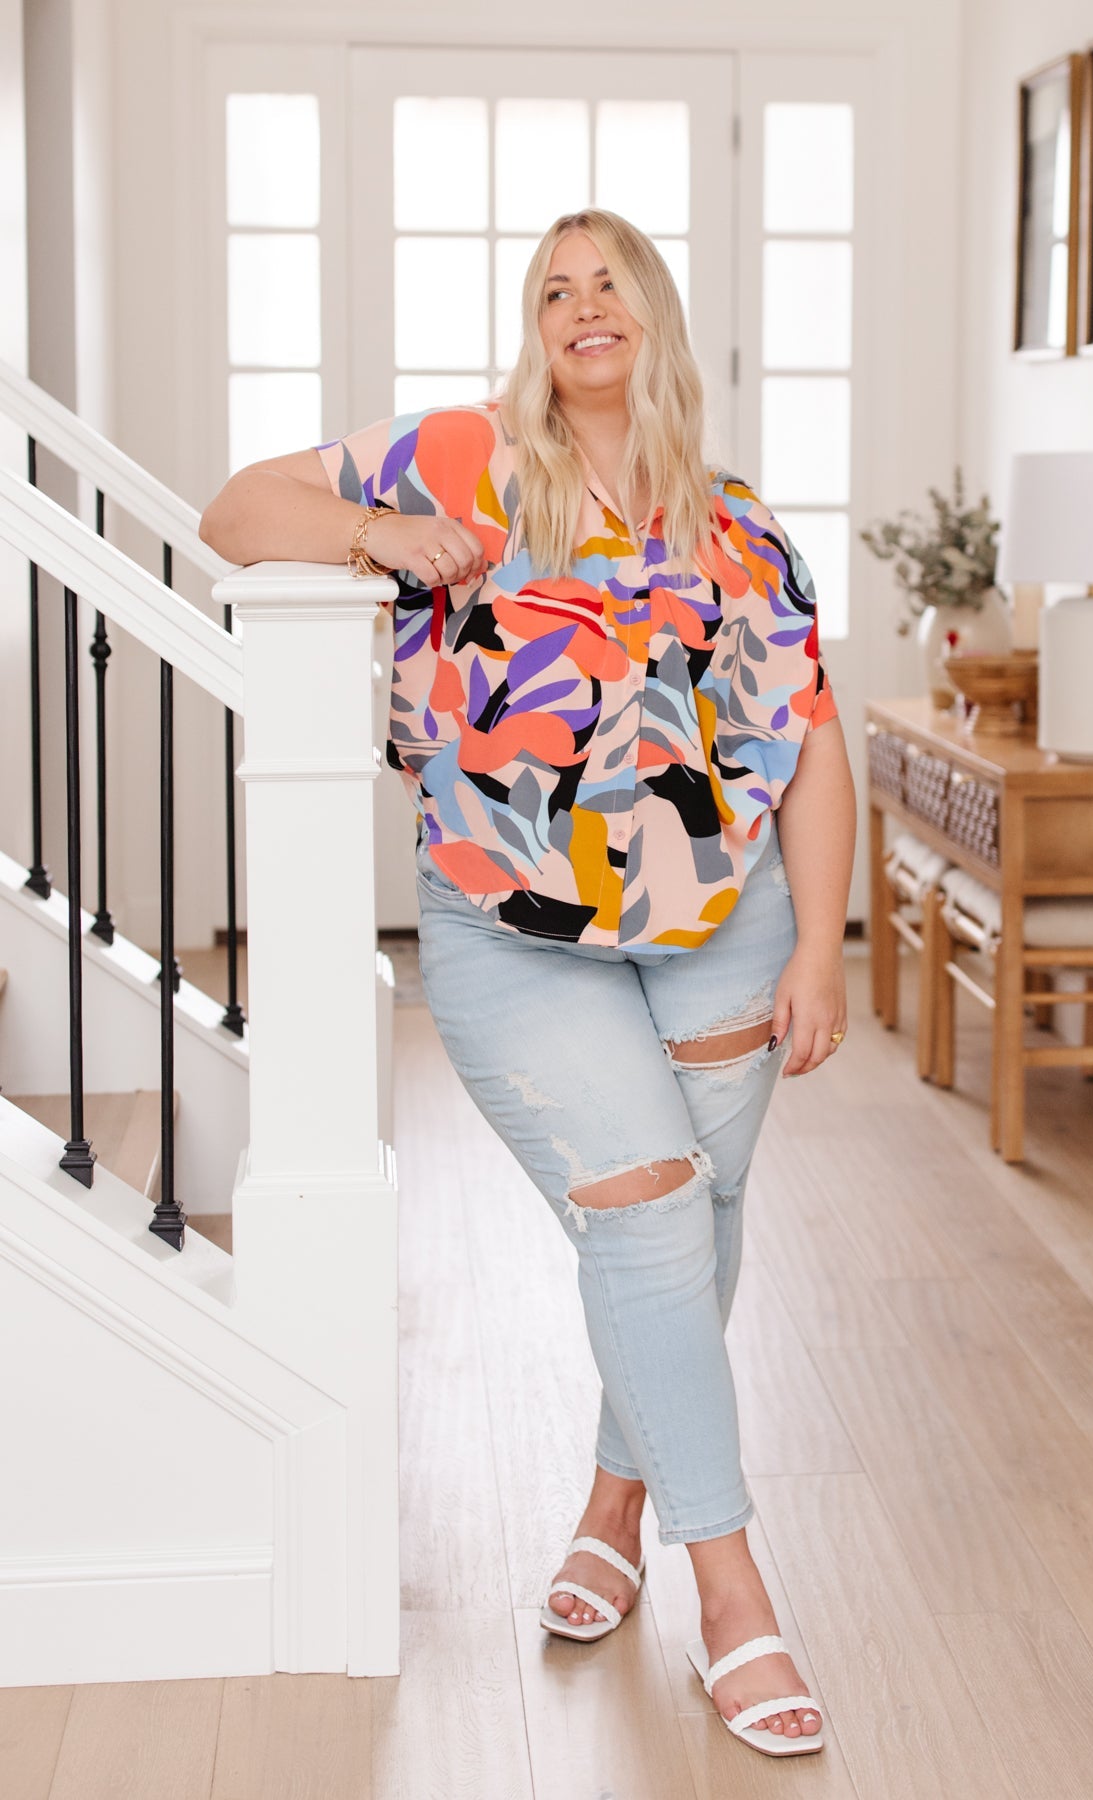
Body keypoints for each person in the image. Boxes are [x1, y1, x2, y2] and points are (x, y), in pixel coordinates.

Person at [200, 207, 856, 1759]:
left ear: (655, 314)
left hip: (727, 929)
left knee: (693, 1223)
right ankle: (733, 1592)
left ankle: (616, 1506)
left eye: (608, 279)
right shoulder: (466, 458)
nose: (581, 305)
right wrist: (376, 537)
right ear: (536, 330)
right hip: (509, 926)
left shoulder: (745, 528)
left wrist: (824, 945)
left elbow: (815, 742)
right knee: (648, 1215)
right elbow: (236, 509)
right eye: (553, 288)